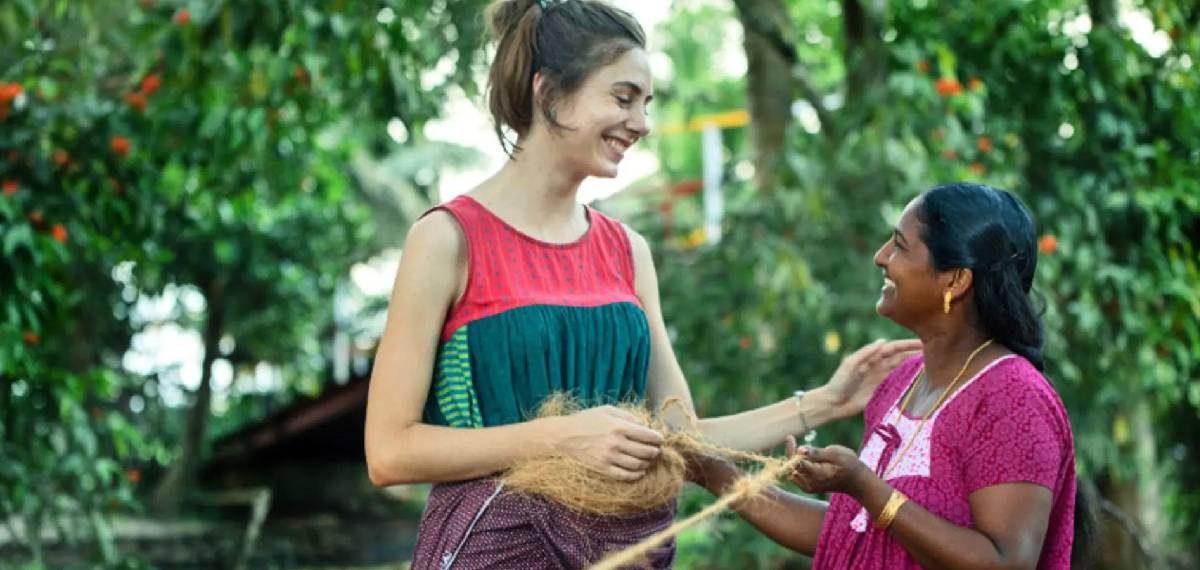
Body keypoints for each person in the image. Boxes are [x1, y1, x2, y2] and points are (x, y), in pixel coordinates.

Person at [363, 1, 916, 568]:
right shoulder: (447, 239)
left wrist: (826, 402)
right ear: (548, 92)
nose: (642, 123)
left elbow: (682, 437)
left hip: (625, 552)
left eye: (645, 104)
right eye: (623, 97)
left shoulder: (627, 252)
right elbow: (388, 452)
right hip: (494, 551)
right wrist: (560, 438)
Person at [689, 183, 1090, 569]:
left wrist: (864, 485)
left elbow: (1006, 562)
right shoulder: (901, 383)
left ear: (955, 280)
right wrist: (712, 470)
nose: (881, 257)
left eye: (899, 245)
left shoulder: (1012, 397)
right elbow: (852, 537)